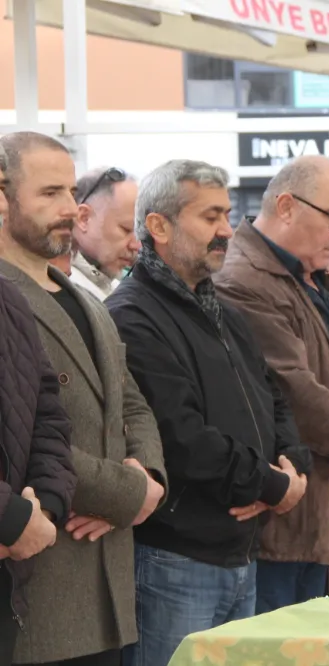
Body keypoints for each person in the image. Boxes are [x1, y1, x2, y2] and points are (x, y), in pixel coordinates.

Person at [105, 160, 311, 666]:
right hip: (176, 558)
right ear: (158, 225)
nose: (226, 229)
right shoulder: (132, 314)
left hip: (240, 548)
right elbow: (179, 435)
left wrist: (292, 467)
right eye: (209, 216)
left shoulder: (223, 312)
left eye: (226, 214)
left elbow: (273, 398)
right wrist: (267, 484)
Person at [0, 131, 166, 666]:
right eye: (50, 193)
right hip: (40, 579)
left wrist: (151, 479)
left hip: (108, 585)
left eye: (72, 191)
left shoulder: (84, 299)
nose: (71, 209)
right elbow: (24, 433)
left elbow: (132, 402)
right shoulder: (9, 297)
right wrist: (124, 495)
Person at [213, 156, 329, 607]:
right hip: (284, 518)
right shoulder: (244, 279)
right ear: (286, 206)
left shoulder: (313, 279)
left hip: (324, 510)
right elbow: (296, 393)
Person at [0, 145, 75, 666]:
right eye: (51, 192)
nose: (69, 206)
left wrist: (43, 505)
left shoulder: (9, 300)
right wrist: (11, 518)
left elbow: (48, 410)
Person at [66, 167, 141, 300]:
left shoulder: (116, 289)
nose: (136, 245)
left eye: (140, 234)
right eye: (126, 229)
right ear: (83, 218)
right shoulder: (62, 290)